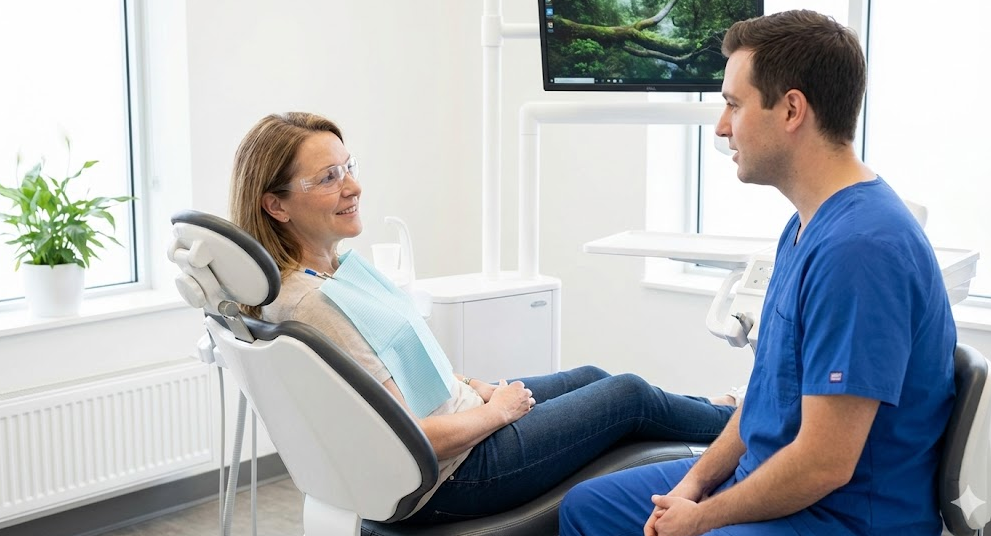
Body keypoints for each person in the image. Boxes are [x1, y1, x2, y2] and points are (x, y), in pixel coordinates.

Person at [227, 111, 741, 523]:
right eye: (328, 178)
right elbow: (404, 434)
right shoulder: (313, 305)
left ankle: (714, 410)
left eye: (349, 167)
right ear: (277, 205)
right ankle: (750, 425)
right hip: (455, 473)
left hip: (462, 421)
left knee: (593, 379)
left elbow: (412, 360)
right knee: (626, 396)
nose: (353, 186)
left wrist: (481, 387)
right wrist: (501, 410)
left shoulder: (331, 273)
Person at [558, 9, 956, 536]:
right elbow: (761, 402)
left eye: (733, 104)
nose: (722, 128)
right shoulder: (804, 226)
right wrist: (693, 485)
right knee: (587, 508)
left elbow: (824, 464)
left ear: (792, 109)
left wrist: (702, 519)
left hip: (839, 516)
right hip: (774, 480)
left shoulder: (860, 250)